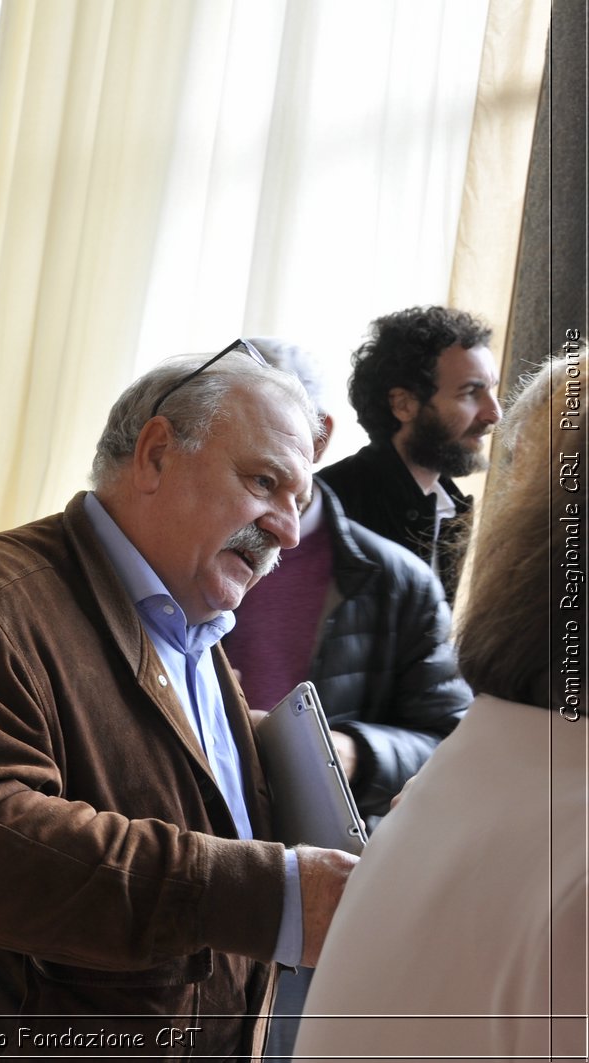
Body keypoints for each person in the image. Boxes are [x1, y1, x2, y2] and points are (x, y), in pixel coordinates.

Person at [0, 342, 359, 1057]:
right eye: (263, 482)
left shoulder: (197, 633)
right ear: (157, 454)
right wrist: (270, 894)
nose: (286, 528)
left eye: (299, 503)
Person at [295, 355, 587, 1060]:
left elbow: (434, 721)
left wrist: (361, 750)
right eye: (469, 392)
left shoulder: (486, 758)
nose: (487, 414)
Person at [221, 339, 472, 1061]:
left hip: (317, 888)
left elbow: (451, 738)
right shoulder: (176, 552)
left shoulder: (396, 580)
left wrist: (353, 749)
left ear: (321, 436)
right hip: (185, 867)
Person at [316, 306, 500, 601]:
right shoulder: (325, 506)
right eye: (470, 393)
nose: (494, 413)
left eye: (492, 390)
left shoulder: (451, 507)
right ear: (403, 404)